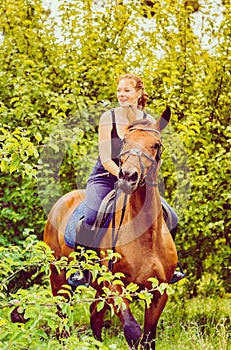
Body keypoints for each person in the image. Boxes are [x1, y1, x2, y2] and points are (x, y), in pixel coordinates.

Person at [68, 73, 186, 287]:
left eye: (127, 90)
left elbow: (153, 156)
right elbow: (106, 159)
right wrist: (123, 176)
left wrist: (140, 177)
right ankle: (82, 268)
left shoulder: (150, 122)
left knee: (171, 217)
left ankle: (171, 265)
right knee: (92, 216)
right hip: (106, 177)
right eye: (119, 90)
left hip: (138, 181)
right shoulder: (108, 118)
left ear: (139, 93)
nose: (121, 95)